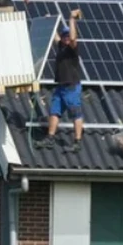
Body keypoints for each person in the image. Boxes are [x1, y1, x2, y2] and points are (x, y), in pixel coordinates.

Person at [36, 9, 83, 152]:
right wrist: (50, 22)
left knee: (75, 112)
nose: (66, 38)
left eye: (68, 36)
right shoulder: (61, 46)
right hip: (61, 87)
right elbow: (55, 37)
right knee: (54, 111)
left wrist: (71, 19)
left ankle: (77, 141)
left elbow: (74, 39)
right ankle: (50, 138)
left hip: (71, 87)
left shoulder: (72, 49)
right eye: (64, 36)